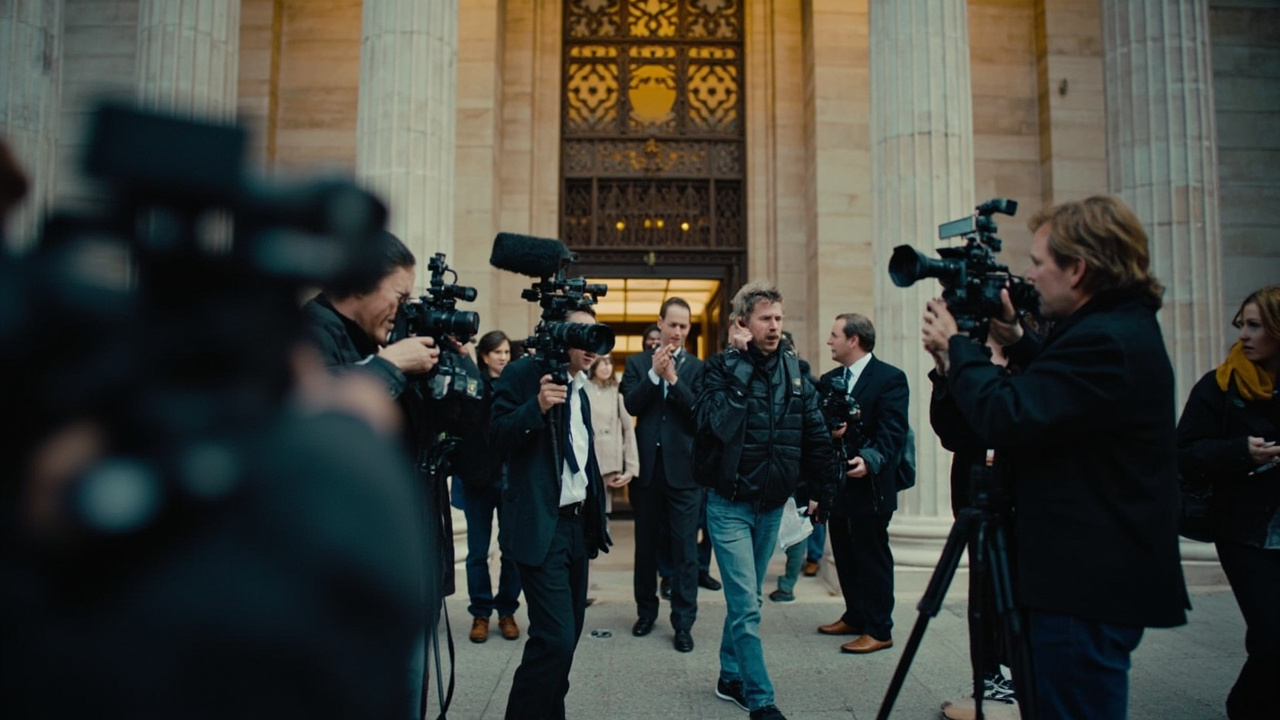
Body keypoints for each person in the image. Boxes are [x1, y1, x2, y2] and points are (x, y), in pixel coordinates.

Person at [921, 194, 1189, 719]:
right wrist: (1016, 340)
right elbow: (1061, 393)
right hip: (1081, 574)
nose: (1028, 275)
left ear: (1079, 269)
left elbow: (1011, 416)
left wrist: (960, 350)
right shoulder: (1110, 328)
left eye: (1039, 263)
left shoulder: (1108, 339)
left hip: (1084, 583)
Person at [694, 281, 835, 720]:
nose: (774, 327)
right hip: (728, 505)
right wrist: (738, 368)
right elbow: (713, 424)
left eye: (778, 318)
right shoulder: (718, 369)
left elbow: (812, 431)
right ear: (742, 324)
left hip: (772, 504)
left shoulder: (795, 370)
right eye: (765, 319)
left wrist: (822, 490)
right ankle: (760, 698)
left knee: (746, 599)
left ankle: (728, 673)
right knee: (747, 606)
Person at [491, 306, 611, 720]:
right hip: (541, 526)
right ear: (560, 334)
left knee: (565, 638)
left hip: (577, 527)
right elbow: (497, 434)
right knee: (554, 640)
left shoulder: (581, 386)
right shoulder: (523, 375)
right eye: (584, 334)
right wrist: (537, 407)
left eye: (596, 334)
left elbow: (582, 456)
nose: (593, 345)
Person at [1177, 284, 1280, 720]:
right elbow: (1183, 453)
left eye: (1256, 326)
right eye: (1243, 325)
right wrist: (1240, 451)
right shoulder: (1219, 386)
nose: (1244, 336)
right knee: (1273, 633)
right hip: (1244, 530)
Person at [929, 334, 1021, 718]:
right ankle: (987, 675)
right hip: (974, 488)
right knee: (982, 584)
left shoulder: (1031, 353)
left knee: (1020, 582)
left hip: (1023, 486)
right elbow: (948, 431)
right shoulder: (968, 356)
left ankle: (1022, 669)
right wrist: (943, 371)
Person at [815, 313, 910, 654]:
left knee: (872, 556)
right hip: (838, 485)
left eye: (834, 335)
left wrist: (869, 459)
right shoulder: (828, 380)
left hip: (871, 486)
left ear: (853, 340)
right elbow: (818, 428)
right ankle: (855, 615)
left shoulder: (890, 379)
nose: (829, 342)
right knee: (843, 551)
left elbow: (893, 432)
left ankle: (880, 628)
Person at [621, 297, 706, 652]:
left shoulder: (699, 368)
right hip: (647, 473)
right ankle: (645, 611)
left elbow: (699, 415)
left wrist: (673, 379)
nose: (677, 332)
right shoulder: (638, 363)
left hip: (684, 474)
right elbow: (631, 404)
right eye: (672, 325)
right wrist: (656, 374)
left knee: (685, 551)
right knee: (645, 548)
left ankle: (683, 623)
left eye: (684, 326)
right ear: (660, 324)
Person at [454, 330, 523, 643]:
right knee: (477, 552)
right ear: (484, 356)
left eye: (507, 352)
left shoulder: (516, 385)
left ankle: (506, 610)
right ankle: (480, 613)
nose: (504, 357)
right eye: (498, 352)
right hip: (477, 478)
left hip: (509, 480)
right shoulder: (473, 384)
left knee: (511, 551)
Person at [584, 353, 639, 508]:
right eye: (601, 362)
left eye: (609, 362)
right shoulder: (583, 389)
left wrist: (631, 468)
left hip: (609, 461)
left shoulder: (617, 394)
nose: (606, 366)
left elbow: (628, 431)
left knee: (603, 510)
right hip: (586, 457)